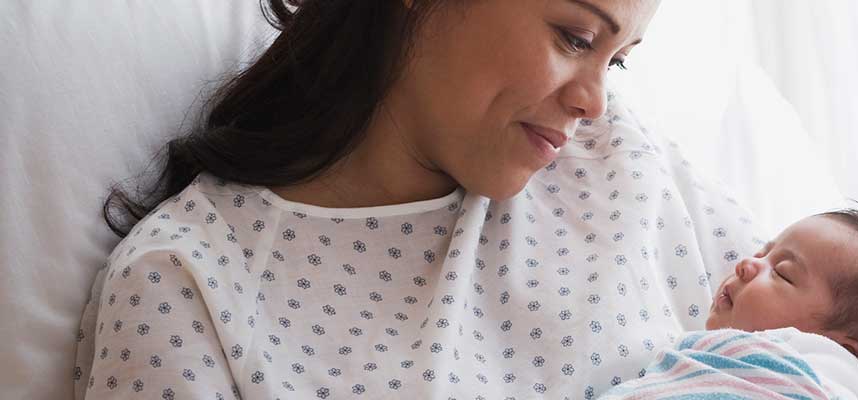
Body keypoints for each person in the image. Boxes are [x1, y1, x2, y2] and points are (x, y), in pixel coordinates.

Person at [76, 1, 659, 398]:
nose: (595, 101)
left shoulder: (613, 158)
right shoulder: (186, 287)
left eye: (619, 59)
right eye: (575, 38)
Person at [602, 207, 858, 400]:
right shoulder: (725, 365)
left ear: (837, 347)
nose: (747, 264)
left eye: (782, 273)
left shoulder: (802, 380)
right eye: (762, 252)